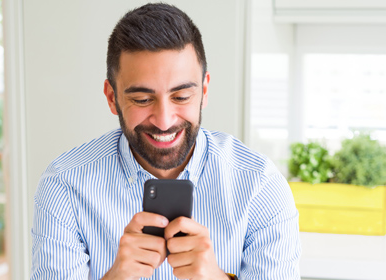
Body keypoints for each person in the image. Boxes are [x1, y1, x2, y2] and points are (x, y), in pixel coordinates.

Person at [30, 3, 300, 279]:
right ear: (112, 98)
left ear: (204, 91)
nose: (164, 120)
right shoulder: (64, 185)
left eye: (181, 97)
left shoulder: (260, 186)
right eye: (142, 99)